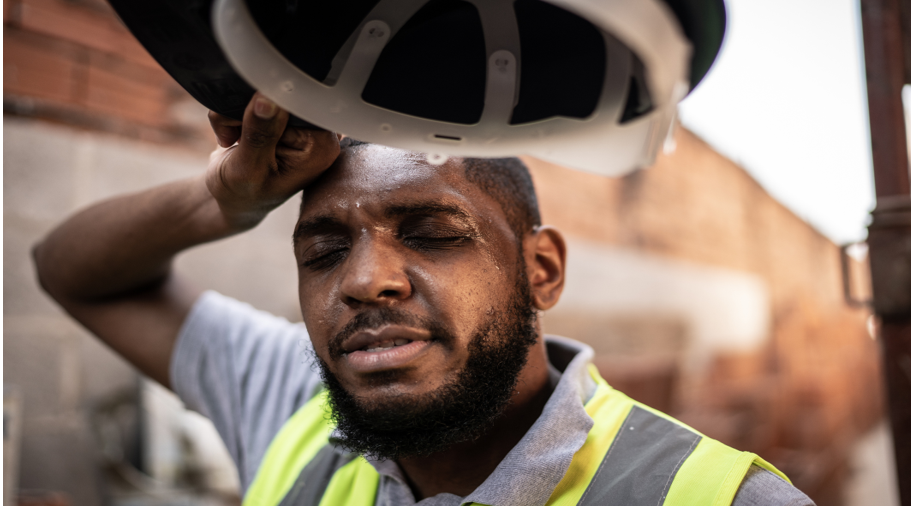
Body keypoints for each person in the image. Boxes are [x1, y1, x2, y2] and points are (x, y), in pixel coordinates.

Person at [32, 93, 814, 506]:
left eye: (434, 233)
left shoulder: (719, 500)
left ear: (539, 269)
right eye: (323, 250)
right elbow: (68, 269)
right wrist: (223, 199)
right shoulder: (292, 404)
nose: (365, 281)